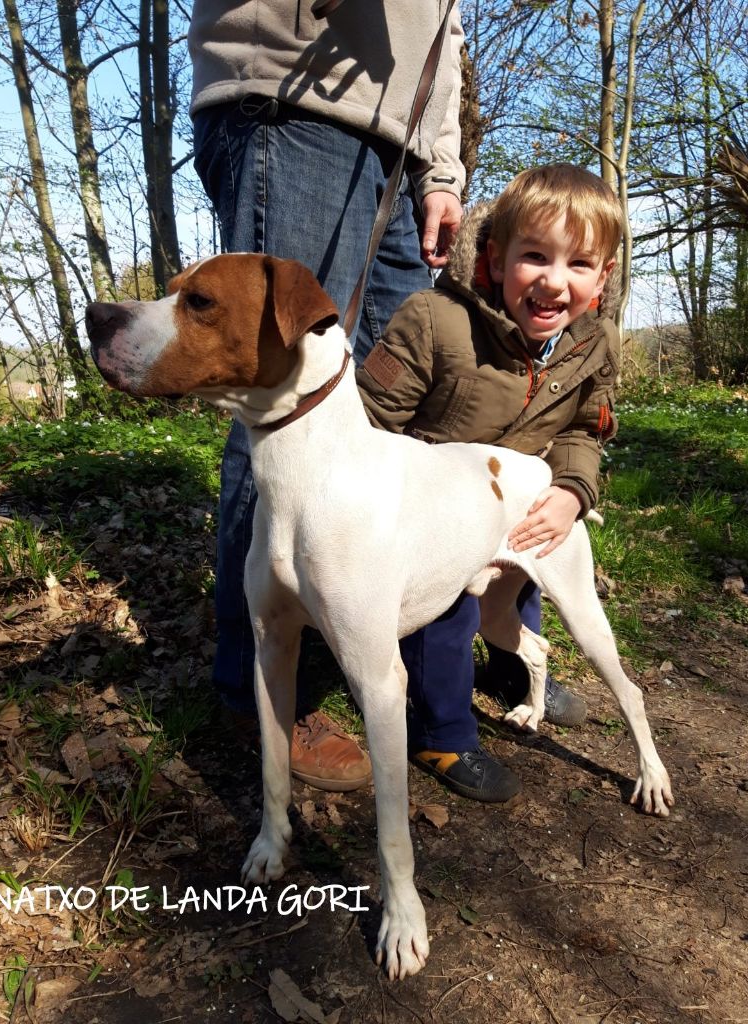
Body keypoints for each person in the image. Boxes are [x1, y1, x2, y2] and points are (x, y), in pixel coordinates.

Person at [188, 1, 466, 790]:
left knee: (410, 406)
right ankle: (270, 694)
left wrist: (439, 168)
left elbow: (442, 32)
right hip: (297, 103)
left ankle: (421, 676)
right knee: (281, 409)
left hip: (400, 152)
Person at [357, 163, 623, 802]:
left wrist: (573, 492)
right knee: (444, 615)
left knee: (525, 579)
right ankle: (441, 730)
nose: (554, 282)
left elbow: (588, 429)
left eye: (579, 264)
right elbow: (367, 422)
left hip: (516, 500)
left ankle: (509, 670)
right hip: (432, 512)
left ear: (602, 278)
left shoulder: (594, 343)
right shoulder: (433, 320)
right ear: (496, 259)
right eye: (535, 257)